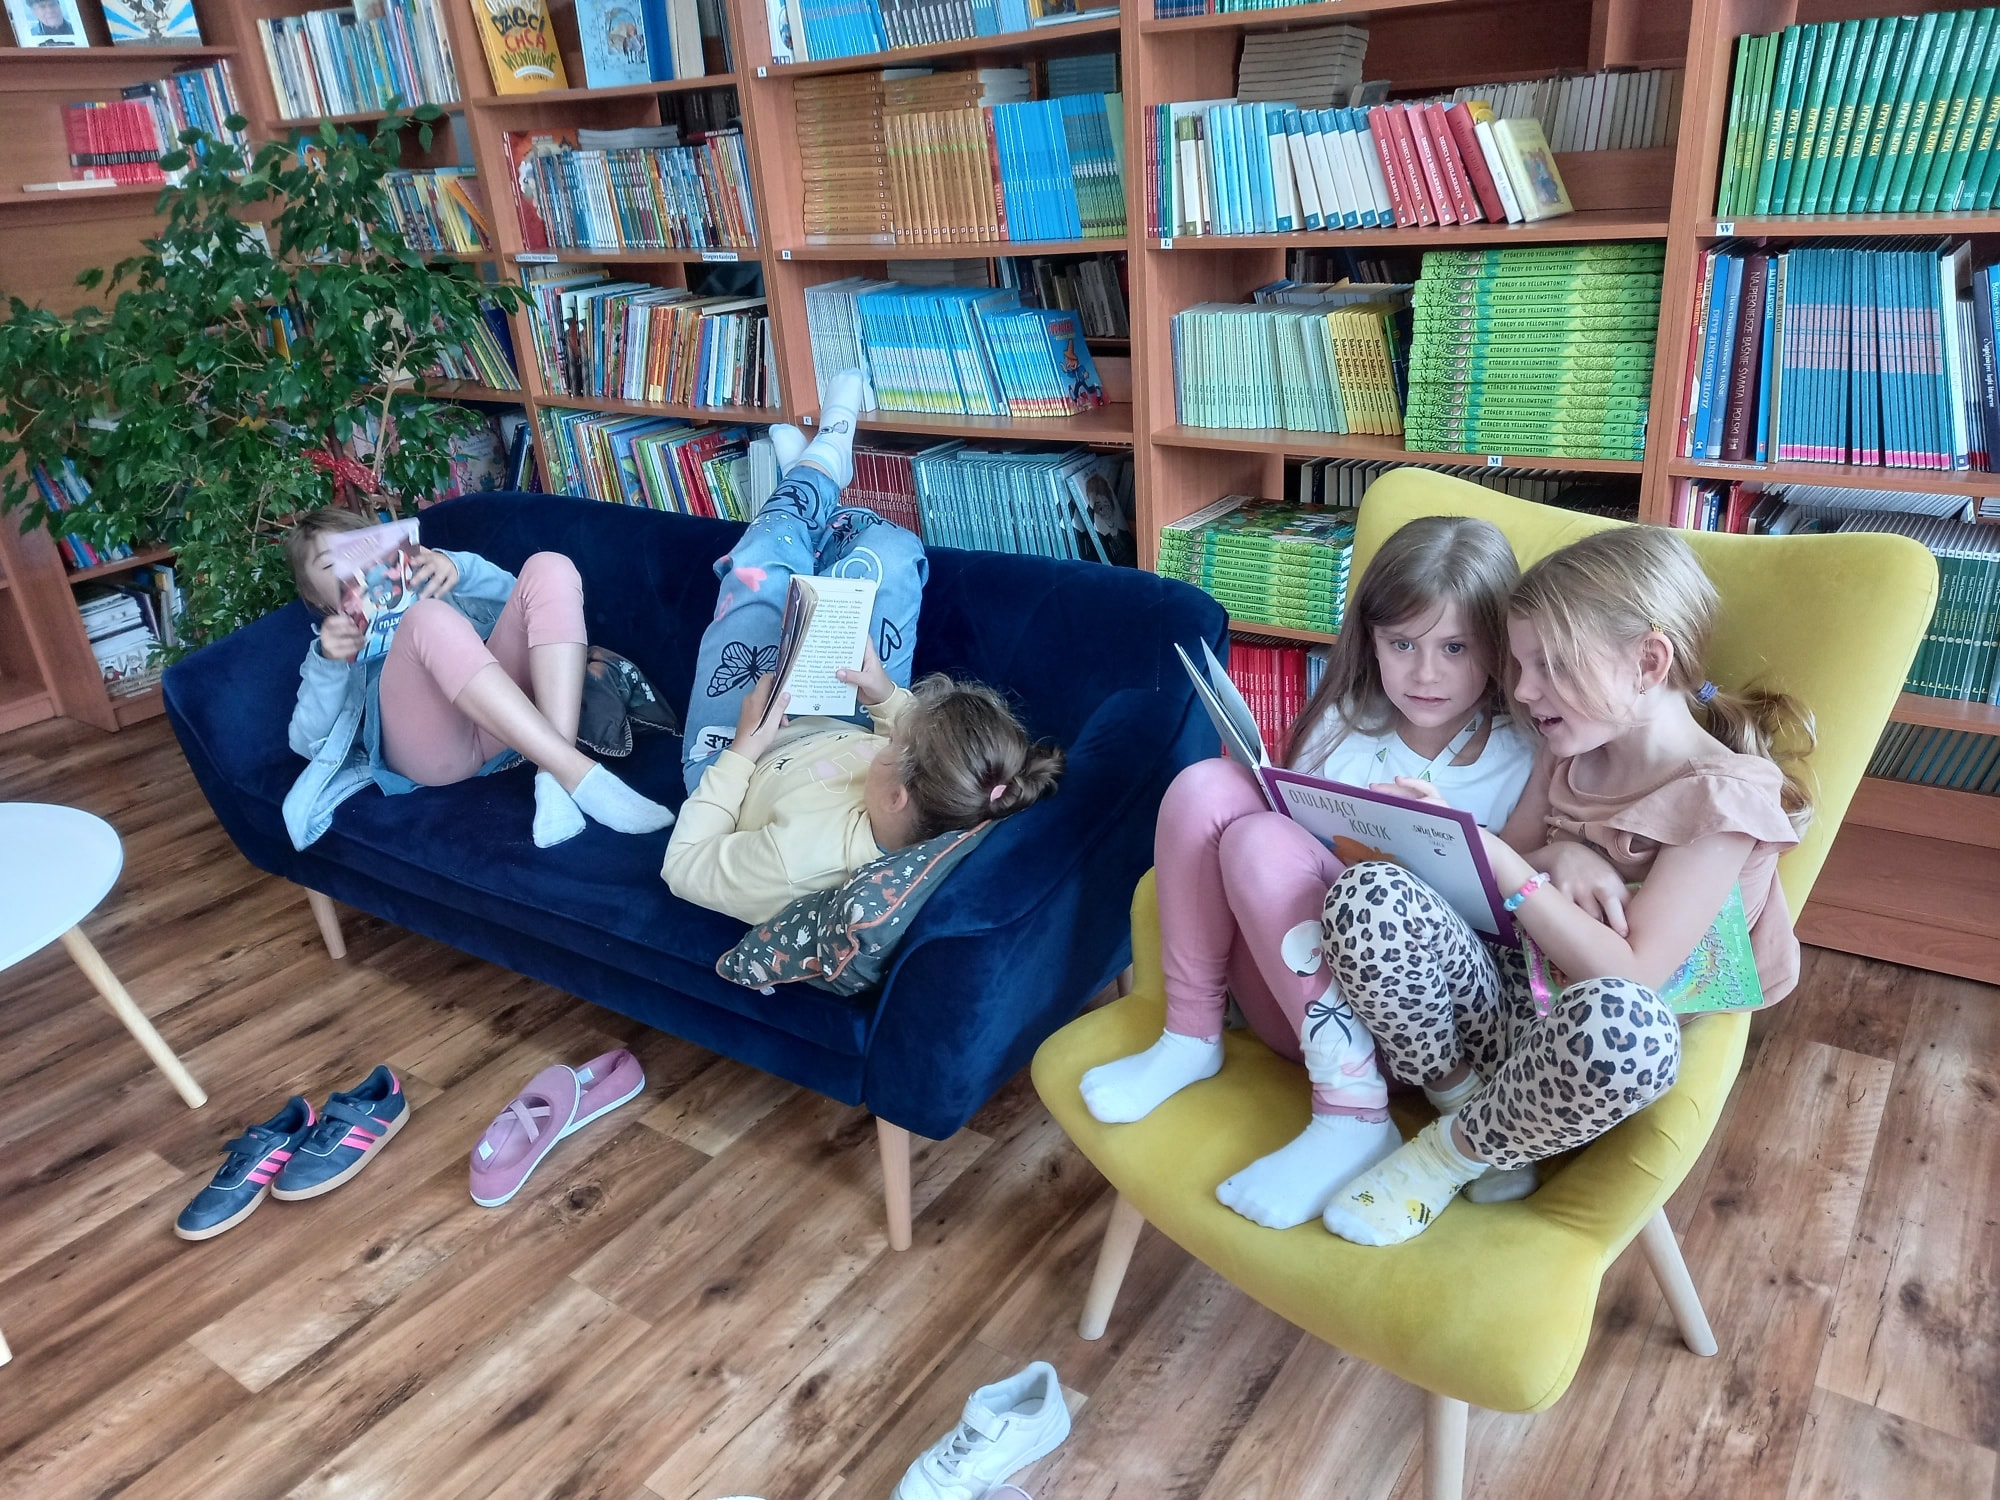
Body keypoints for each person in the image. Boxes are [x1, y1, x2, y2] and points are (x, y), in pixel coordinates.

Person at [1315, 525, 1811, 1247]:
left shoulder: (1721, 799)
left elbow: (1632, 976)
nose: (1522, 690)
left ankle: (1450, 1155)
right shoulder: (1569, 748)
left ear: (1648, 662)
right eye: (1520, 665)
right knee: (1370, 893)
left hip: (1578, 1057)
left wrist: (1513, 864)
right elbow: (1496, 882)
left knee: (1634, 1030)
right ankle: (1458, 1097)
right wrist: (1549, 853)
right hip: (1493, 1012)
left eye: (1550, 665)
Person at [1079, 515, 1538, 1230]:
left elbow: (1518, 920)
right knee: (1205, 787)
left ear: (1498, 646)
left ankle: (1353, 1116)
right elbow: (1279, 861)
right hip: (1297, 1004)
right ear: (1370, 640)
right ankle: (1190, 1036)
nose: (1425, 673)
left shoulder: (1522, 756)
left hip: (1423, 1035)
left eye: (1455, 647)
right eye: (1402, 644)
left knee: (1263, 841)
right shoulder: (1345, 721)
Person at [664, 371, 1064, 925]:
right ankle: (814, 497)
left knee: (760, 566)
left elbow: (684, 867)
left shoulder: (796, 861)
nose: (896, 728)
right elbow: (913, 739)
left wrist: (741, 751)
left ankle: (818, 470)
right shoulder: (943, 793)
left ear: (898, 796)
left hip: (738, 749)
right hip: (836, 720)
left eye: (896, 739)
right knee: (893, 553)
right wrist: (882, 695)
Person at [282, 509, 673, 851]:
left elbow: (531, 605)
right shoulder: (329, 651)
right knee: (425, 619)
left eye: (360, 553)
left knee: (550, 566)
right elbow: (304, 741)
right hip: (434, 755)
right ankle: (580, 775)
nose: (352, 570)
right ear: (314, 597)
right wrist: (330, 663)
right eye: (331, 565)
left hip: (504, 723)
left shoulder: (431, 578)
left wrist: (460, 570)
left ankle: (552, 779)